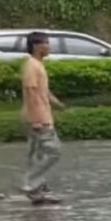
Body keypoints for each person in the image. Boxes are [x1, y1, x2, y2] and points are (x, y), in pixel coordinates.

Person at [20, 32, 65, 204]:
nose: (49, 46)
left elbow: (42, 90)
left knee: (37, 155)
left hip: (42, 115)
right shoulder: (31, 65)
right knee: (54, 152)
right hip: (39, 118)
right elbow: (31, 92)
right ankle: (30, 183)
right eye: (46, 43)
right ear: (37, 46)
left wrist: (56, 103)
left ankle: (38, 191)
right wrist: (36, 119)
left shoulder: (37, 64)